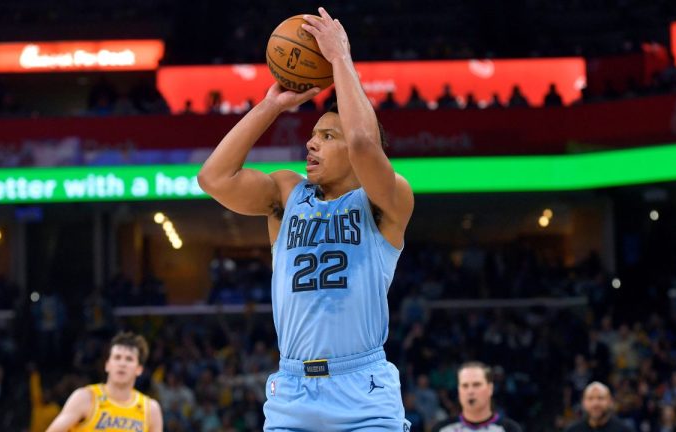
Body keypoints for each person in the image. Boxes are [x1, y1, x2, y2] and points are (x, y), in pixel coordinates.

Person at [197, 6, 414, 431]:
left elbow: (364, 142)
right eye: (312, 135)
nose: (311, 144)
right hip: (293, 391)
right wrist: (269, 107)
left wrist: (340, 59)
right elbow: (213, 178)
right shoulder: (285, 192)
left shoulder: (386, 200)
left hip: (362, 391)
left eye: (326, 136)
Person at [45, 332, 162, 432]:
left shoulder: (150, 409)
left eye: (129, 359)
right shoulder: (85, 397)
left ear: (139, 369)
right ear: (107, 365)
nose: (122, 364)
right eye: (117, 357)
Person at [432, 361, 523, 432]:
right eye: (465, 385)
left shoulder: (509, 429)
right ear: (459, 390)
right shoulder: (442, 429)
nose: (470, 391)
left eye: (476, 385)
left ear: (490, 388)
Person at [564, 382, 633, 432]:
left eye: (600, 398)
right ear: (583, 402)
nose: (595, 404)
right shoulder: (572, 430)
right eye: (590, 398)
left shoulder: (624, 430)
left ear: (610, 401)